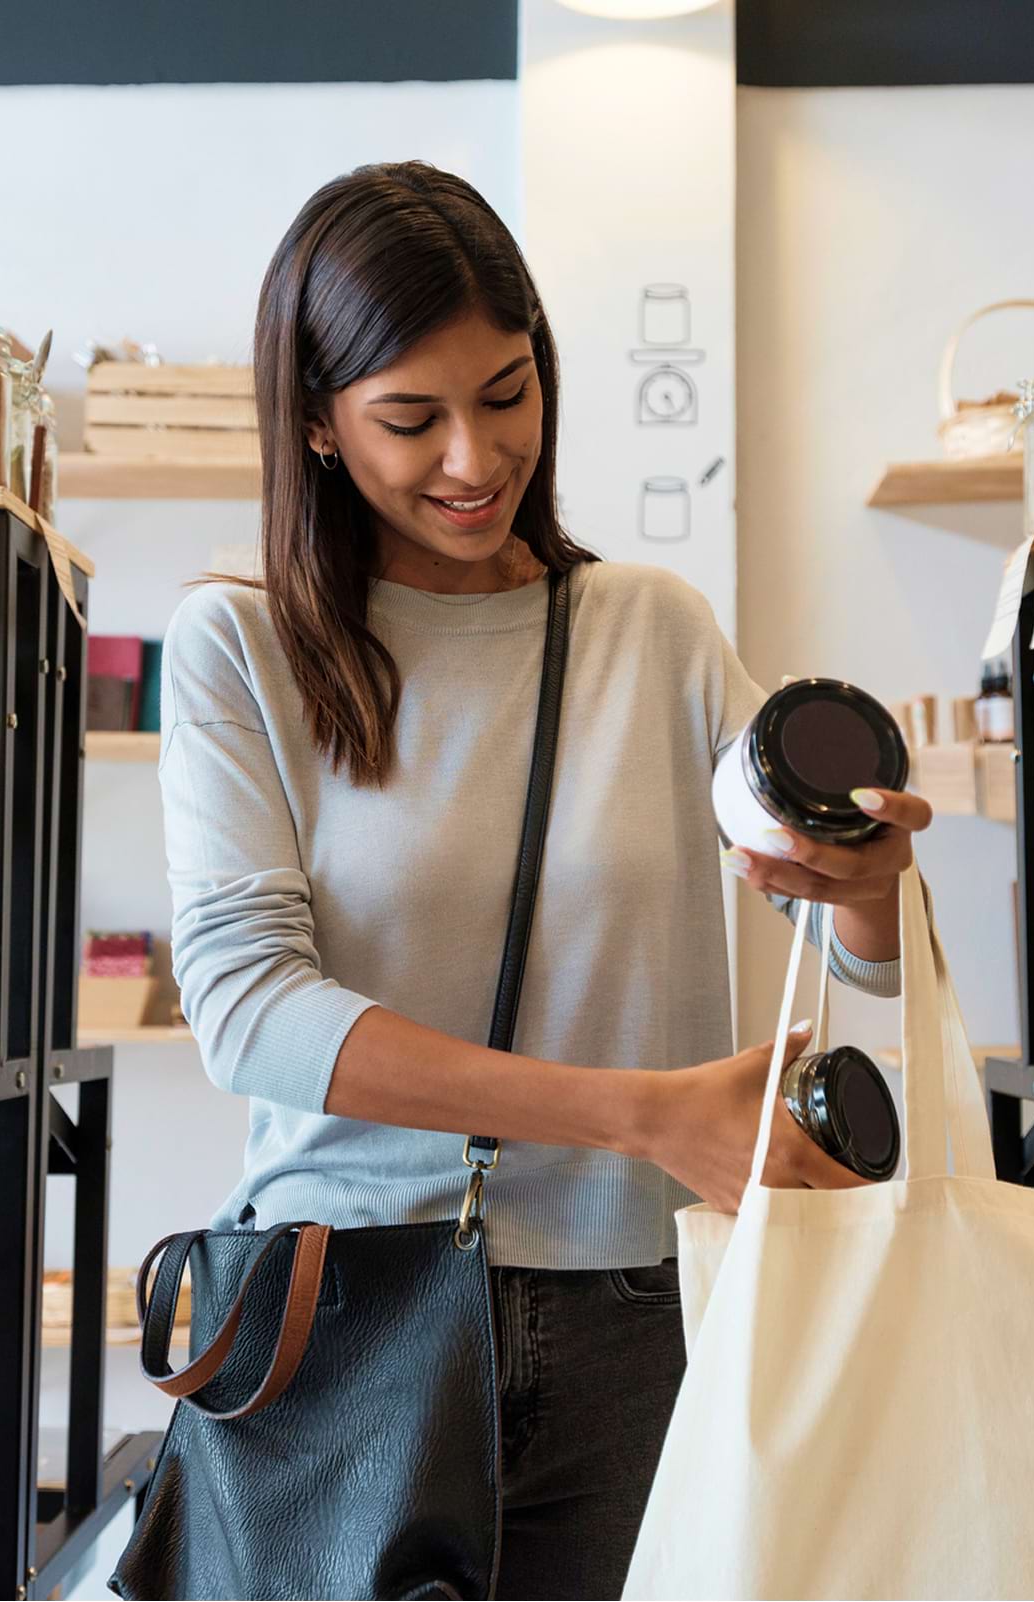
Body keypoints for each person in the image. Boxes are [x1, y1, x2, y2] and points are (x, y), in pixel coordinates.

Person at [159, 160, 932, 1600]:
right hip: (345, 1308)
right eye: (411, 419)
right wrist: (644, 1114)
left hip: (635, 1314)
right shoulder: (239, 645)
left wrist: (870, 886)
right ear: (318, 425)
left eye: (506, 393)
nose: (472, 456)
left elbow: (835, 926)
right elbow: (249, 1014)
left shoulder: (653, 631)